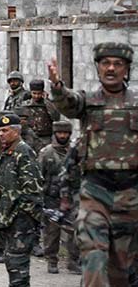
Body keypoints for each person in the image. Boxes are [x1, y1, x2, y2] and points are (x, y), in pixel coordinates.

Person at [47, 42, 138, 286]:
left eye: (117, 64)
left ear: (127, 69)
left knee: (121, 268)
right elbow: (67, 102)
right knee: (94, 255)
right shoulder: (88, 102)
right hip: (96, 191)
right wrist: (56, 84)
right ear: (97, 67)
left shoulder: (136, 103)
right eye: (105, 63)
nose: (111, 68)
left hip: (130, 194)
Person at [0, 113, 43, 286]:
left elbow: (33, 191)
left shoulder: (23, 152)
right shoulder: (9, 152)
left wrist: (24, 220)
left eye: (5, 130)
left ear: (16, 131)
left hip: (21, 222)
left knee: (18, 268)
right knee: (13, 264)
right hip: (10, 220)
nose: (0, 134)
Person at [38, 120, 81, 275]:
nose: (62, 136)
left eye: (65, 133)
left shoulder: (76, 151)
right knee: (52, 232)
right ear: (55, 134)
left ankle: (73, 261)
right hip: (51, 197)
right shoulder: (47, 153)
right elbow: (39, 176)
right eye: (59, 133)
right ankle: (52, 260)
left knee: (74, 230)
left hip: (72, 198)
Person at [21, 79, 60, 151]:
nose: (36, 96)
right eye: (34, 93)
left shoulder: (49, 104)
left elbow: (56, 117)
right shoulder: (25, 105)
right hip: (29, 138)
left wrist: (47, 101)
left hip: (45, 139)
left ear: (43, 93)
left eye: (39, 93)